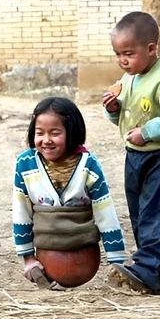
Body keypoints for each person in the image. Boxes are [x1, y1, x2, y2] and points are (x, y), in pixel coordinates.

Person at [102, 11, 160, 296]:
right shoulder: (130, 79)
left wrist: (148, 132)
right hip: (137, 158)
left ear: (151, 49)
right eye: (118, 54)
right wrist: (113, 110)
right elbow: (127, 115)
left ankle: (151, 268)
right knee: (142, 213)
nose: (122, 61)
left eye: (128, 53)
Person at [13, 97, 127, 288]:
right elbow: (21, 211)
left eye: (55, 133)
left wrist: (116, 261)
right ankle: (40, 274)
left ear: (72, 132)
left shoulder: (88, 165)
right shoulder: (25, 164)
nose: (46, 140)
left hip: (84, 253)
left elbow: (104, 211)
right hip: (47, 249)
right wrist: (28, 259)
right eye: (39, 133)